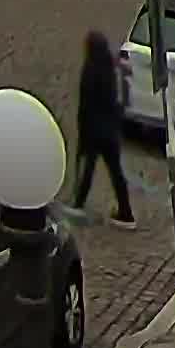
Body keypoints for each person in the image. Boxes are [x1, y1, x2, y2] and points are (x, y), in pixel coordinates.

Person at [67, 30, 134, 223]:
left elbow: (85, 107)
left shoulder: (90, 71)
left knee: (88, 166)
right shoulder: (110, 68)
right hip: (111, 130)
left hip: (94, 131)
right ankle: (126, 211)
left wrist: (82, 135)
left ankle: (78, 205)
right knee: (116, 172)